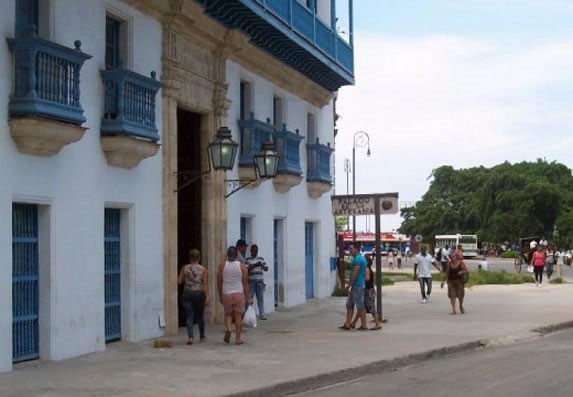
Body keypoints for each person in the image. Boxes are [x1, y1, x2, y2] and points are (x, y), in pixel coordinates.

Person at [217, 246, 252, 345]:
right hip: (238, 293)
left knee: (228, 314)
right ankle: (238, 339)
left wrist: (220, 294)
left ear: (227, 254)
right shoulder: (242, 267)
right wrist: (248, 296)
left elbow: (219, 282)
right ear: (236, 255)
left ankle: (228, 328)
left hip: (226, 293)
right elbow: (245, 283)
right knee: (238, 316)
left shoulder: (221, 266)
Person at [177, 249, 208, 345]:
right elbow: (204, 284)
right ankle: (202, 336)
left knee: (189, 316)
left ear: (190, 257)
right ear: (199, 257)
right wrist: (207, 296)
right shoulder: (203, 269)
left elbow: (179, 281)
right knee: (199, 316)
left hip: (187, 293)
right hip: (198, 293)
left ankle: (190, 337)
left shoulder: (184, 268)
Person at [339, 242, 368, 331]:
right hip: (357, 285)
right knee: (349, 305)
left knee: (360, 306)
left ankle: (363, 325)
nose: (350, 250)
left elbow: (354, 273)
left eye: (351, 248)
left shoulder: (358, 260)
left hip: (357, 286)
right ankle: (348, 323)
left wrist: (349, 285)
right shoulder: (359, 259)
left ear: (356, 249)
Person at [351, 255, 381, 330]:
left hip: (368, 291)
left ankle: (377, 324)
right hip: (367, 290)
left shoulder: (367, 269)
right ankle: (353, 323)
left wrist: (361, 279)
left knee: (371, 308)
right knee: (361, 308)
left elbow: (367, 279)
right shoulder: (367, 269)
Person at [441, 248, 468, 315]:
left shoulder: (460, 263)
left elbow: (466, 270)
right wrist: (443, 281)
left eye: (454, 256)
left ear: (456, 257)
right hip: (451, 281)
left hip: (459, 281)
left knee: (460, 295)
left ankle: (461, 305)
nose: (452, 258)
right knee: (452, 295)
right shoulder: (449, 264)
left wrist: (461, 271)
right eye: (451, 257)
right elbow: (447, 273)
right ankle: (453, 310)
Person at [245, 244, 268, 320]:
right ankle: (247, 313)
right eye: (254, 251)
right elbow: (247, 270)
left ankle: (262, 314)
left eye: (257, 251)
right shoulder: (247, 259)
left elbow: (266, 269)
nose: (256, 252)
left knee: (260, 298)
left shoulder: (261, 258)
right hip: (251, 281)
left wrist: (262, 266)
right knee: (250, 297)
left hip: (260, 281)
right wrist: (255, 265)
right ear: (251, 251)